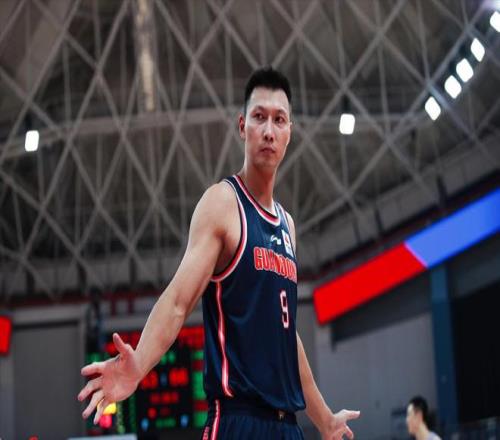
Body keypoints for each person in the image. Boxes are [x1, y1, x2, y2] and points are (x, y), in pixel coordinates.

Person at [78, 67, 360, 439]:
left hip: (288, 427)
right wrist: (138, 366)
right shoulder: (223, 203)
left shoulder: (287, 226)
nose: (269, 130)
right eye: (259, 117)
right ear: (242, 126)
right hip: (235, 421)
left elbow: (286, 336)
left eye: (279, 120)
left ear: (290, 132)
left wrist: (324, 419)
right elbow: (178, 301)